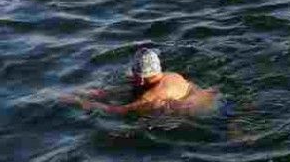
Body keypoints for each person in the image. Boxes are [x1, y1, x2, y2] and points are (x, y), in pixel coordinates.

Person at [64, 48, 218, 116]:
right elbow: (135, 86)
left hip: (209, 113)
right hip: (215, 97)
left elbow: (118, 110)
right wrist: (96, 93)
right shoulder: (172, 76)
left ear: (141, 77)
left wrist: (82, 102)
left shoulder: (151, 96)